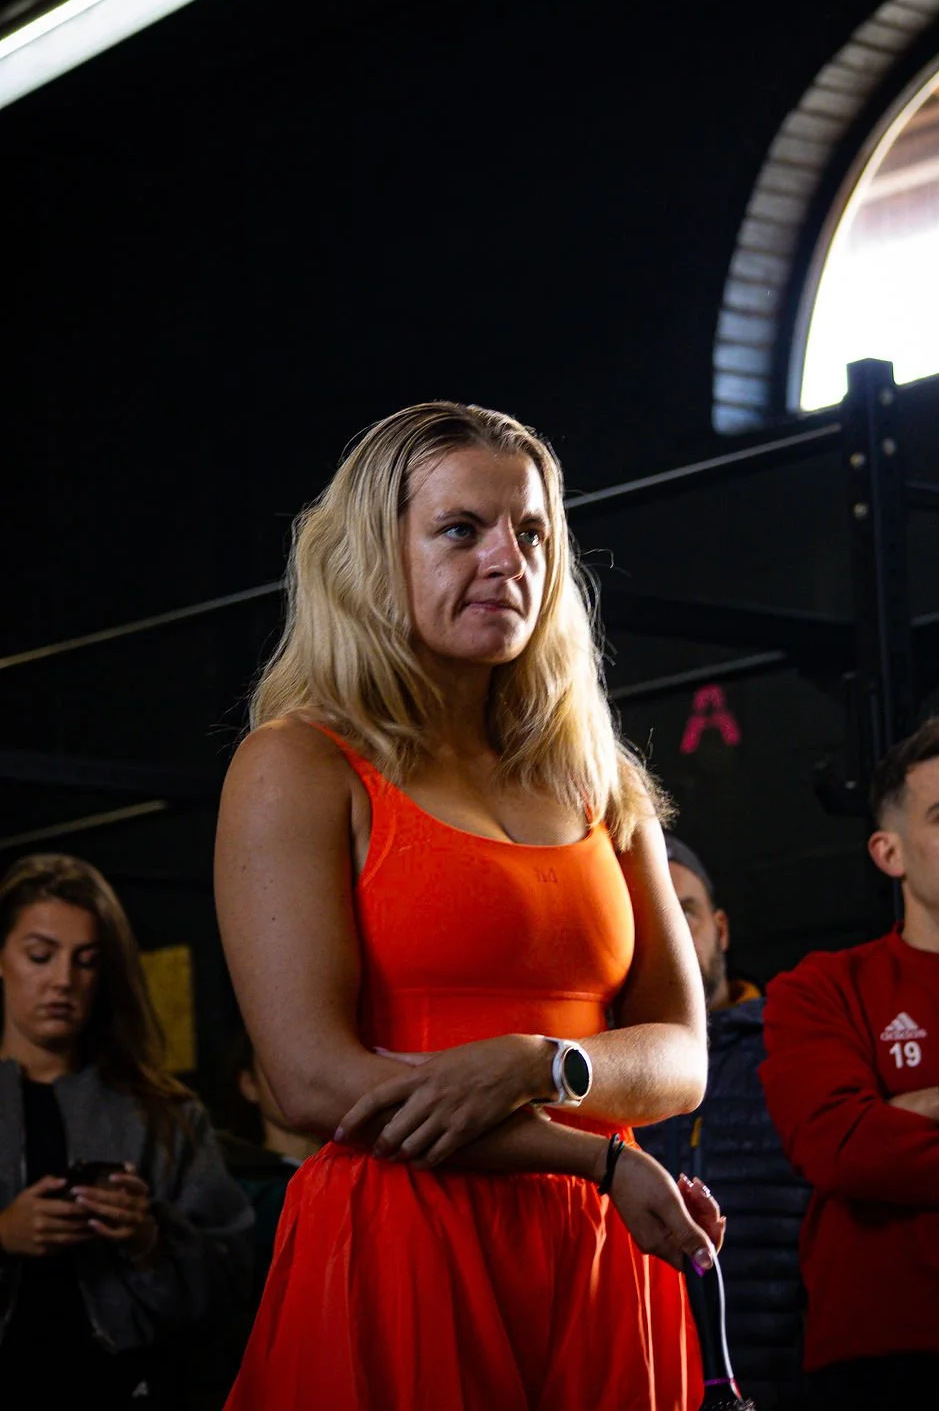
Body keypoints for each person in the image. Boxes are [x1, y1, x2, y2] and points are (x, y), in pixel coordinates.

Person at [214, 400, 723, 1411]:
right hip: (406, 1236)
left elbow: (682, 1056)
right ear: (373, 557)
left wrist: (544, 1063)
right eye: (461, 530)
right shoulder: (298, 763)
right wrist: (590, 1157)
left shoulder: (598, 782)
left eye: (531, 530)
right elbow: (314, 1083)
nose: (508, 559)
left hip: (598, 1248)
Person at [760, 716, 939, 1409]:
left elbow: (872, 1144)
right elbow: (840, 1146)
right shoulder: (817, 990)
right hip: (882, 1359)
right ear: (889, 852)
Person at [0, 852, 253, 1408]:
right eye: (40, 956)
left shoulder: (163, 1113)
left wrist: (149, 1238)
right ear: (2, 957)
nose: (62, 981)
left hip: (125, 1386)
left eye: (86, 961)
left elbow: (235, 1278)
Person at [638, 834, 809, 1410]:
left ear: (721, 929)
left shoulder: (793, 1043)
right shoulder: (589, 1071)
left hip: (790, 1369)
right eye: (646, 907)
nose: (668, 926)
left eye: (681, 907)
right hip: (646, 1370)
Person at [217, 1027, 321, 1291]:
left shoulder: (360, 1170)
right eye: (280, 1068)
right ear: (248, 1084)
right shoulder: (234, 1185)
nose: (301, 1079)